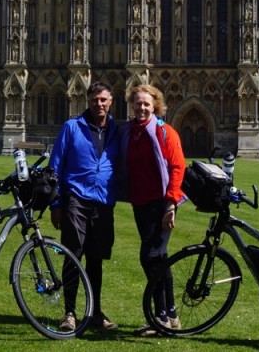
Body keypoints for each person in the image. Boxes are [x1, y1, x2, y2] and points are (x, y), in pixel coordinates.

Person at [49, 81, 122, 333]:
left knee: (95, 259)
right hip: (75, 200)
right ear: (87, 101)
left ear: (111, 101)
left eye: (103, 100)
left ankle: (94, 312)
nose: (99, 104)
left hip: (102, 202)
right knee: (73, 255)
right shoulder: (72, 127)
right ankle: (69, 312)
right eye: (94, 100)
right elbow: (55, 167)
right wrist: (56, 204)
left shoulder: (116, 130)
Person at [120, 84, 185, 336]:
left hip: (162, 204)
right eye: (138, 103)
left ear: (155, 106)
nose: (142, 108)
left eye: (147, 104)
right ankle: (171, 316)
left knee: (149, 257)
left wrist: (171, 204)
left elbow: (178, 168)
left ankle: (160, 316)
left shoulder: (165, 132)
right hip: (141, 202)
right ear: (132, 106)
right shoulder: (130, 132)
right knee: (159, 258)